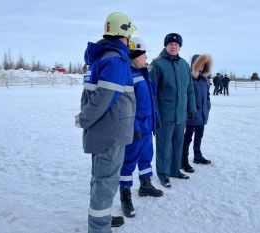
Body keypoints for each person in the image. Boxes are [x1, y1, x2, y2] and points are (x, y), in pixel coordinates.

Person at [75, 12, 136, 233]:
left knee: (100, 179)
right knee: (105, 181)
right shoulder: (116, 60)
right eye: (129, 36)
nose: (130, 41)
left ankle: (102, 219)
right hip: (111, 133)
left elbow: (91, 97)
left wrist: (86, 119)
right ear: (124, 34)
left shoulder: (101, 57)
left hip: (103, 131)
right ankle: (99, 228)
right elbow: (103, 99)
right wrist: (83, 119)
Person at [119, 37, 163, 218]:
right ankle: (125, 196)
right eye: (143, 54)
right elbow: (126, 106)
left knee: (146, 157)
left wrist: (156, 119)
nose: (146, 57)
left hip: (147, 126)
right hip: (135, 128)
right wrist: (134, 125)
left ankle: (145, 185)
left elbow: (152, 101)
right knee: (128, 162)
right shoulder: (128, 75)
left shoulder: (144, 74)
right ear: (135, 55)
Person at [149, 33, 197, 188]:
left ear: (180, 47)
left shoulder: (184, 65)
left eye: (176, 44)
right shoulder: (157, 64)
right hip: (164, 114)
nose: (173, 46)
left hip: (180, 114)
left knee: (178, 143)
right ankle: (163, 175)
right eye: (170, 44)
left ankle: (175, 170)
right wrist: (155, 113)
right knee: (164, 146)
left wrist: (191, 107)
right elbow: (152, 93)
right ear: (165, 46)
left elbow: (189, 89)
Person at [182, 54, 213, 173]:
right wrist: (190, 109)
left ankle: (197, 156)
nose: (201, 66)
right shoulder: (189, 77)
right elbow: (186, 95)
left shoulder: (205, 78)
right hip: (191, 114)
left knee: (199, 135)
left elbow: (207, 95)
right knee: (187, 137)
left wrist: (208, 106)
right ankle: (183, 160)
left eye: (203, 64)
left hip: (202, 113)